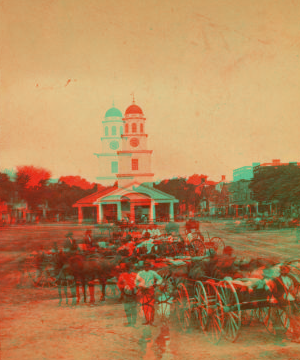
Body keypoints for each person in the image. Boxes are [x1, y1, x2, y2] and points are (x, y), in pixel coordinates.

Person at [135, 260, 163, 326]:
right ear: (143, 266)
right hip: (143, 291)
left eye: (148, 266)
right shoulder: (140, 273)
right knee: (144, 306)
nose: (146, 267)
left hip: (150, 290)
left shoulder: (153, 273)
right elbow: (136, 282)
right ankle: (147, 320)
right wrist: (140, 286)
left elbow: (160, 279)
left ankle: (152, 321)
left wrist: (155, 284)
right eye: (145, 266)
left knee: (151, 306)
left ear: (150, 267)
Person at [117, 263, 138, 327]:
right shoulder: (135, 275)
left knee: (128, 308)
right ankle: (133, 322)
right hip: (132, 293)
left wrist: (123, 290)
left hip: (128, 293)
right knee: (132, 308)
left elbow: (119, 284)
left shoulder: (123, 275)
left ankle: (130, 322)